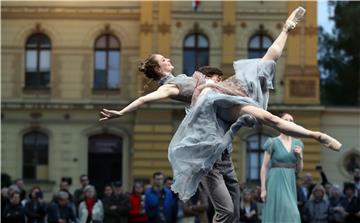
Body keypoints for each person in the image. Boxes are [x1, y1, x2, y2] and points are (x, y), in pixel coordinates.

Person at [100, 7, 341, 201]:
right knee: (268, 117)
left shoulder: (181, 78)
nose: (168, 58)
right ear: (157, 68)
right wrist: (121, 111)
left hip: (226, 91)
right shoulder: (170, 86)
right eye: (163, 59)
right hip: (217, 107)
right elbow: (145, 98)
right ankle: (315, 134)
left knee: (266, 68)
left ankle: (287, 29)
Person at [260, 113, 304, 223]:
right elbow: (264, 167)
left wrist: (299, 157)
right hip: (275, 180)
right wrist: (263, 189)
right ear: (280, 123)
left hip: (290, 180)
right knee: (280, 212)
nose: (289, 121)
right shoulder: (272, 142)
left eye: (291, 120)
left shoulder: (298, 143)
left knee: (293, 213)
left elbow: (298, 170)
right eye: (286, 119)